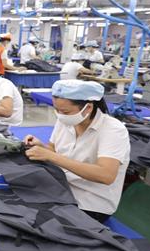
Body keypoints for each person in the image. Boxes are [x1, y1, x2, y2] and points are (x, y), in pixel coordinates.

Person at [24, 80, 130, 222]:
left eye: (65, 112)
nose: (59, 115)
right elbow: (54, 150)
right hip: (61, 188)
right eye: (57, 110)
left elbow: (106, 175)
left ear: (88, 108)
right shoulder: (66, 120)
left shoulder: (113, 130)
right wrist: (41, 147)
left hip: (90, 203)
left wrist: (50, 156)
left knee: (32, 220)